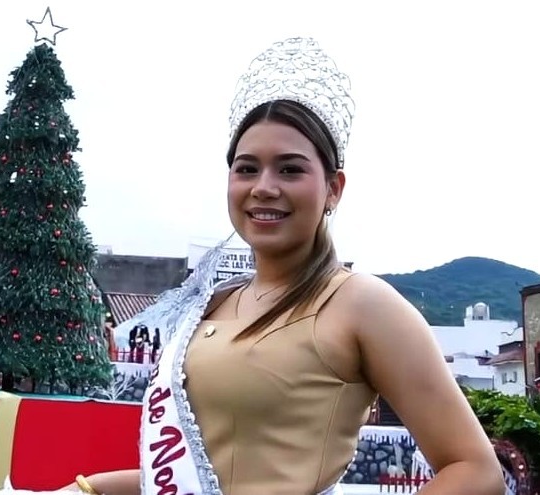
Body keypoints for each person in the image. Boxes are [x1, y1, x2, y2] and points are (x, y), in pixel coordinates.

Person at [61, 37, 503, 495]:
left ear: (334, 188)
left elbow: (475, 469)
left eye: (290, 170)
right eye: (247, 169)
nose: (264, 187)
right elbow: (208, 479)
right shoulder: (213, 303)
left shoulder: (360, 304)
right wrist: (85, 490)